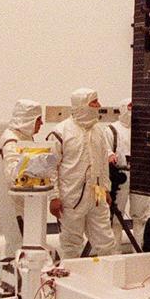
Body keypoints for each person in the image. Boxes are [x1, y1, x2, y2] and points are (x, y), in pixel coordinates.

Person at [46, 87, 114, 258]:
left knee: (105, 241)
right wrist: (53, 197)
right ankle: (73, 273)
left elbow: (103, 163)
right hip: (70, 197)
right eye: (94, 102)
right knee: (71, 244)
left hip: (97, 194)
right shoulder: (60, 132)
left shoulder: (99, 131)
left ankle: (103, 273)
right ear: (82, 105)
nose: (99, 105)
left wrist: (106, 189)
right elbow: (51, 168)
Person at [0, 99, 43, 253]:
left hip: (25, 203)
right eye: (38, 119)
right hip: (15, 205)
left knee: (21, 246)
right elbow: (13, 175)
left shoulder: (23, 137)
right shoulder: (11, 141)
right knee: (19, 245)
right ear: (28, 119)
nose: (41, 123)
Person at [106, 98, 150, 250]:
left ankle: (138, 249)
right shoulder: (111, 129)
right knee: (116, 215)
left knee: (140, 215)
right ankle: (114, 251)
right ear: (123, 108)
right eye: (130, 107)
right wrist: (110, 155)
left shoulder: (144, 130)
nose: (132, 111)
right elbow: (105, 149)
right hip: (120, 176)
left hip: (141, 175)